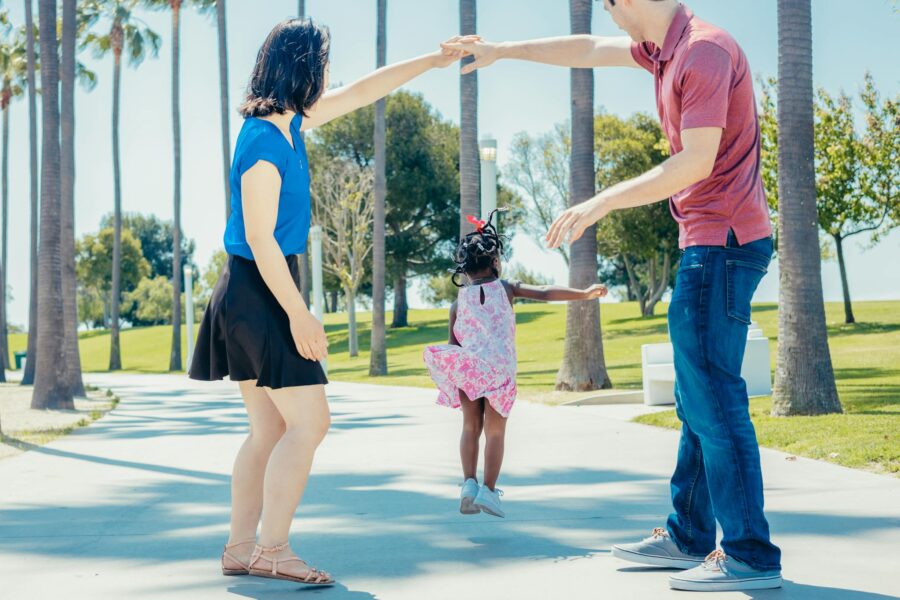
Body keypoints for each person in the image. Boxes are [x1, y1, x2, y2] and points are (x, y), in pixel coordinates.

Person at [442, 0, 781, 592]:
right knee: (696, 398)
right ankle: (689, 535)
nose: (607, 13)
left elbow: (696, 161)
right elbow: (585, 51)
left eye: (608, 4)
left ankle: (750, 554)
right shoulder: (665, 50)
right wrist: (501, 51)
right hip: (711, 243)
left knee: (716, 402)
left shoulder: (702, 50)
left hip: (722, 243)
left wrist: (601, 201)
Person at [189, 18, 464, 586]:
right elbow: (262, 238)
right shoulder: (265, 138)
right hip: (260, 287)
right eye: (324, 64)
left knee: (269, 430)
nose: (331, 76)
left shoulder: (290, 125)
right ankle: (273, 548)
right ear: (305, 68)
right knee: (310, 423)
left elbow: (365, 90)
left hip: (253, 286)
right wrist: (298, 313)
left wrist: (431, 61)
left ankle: (242, 547)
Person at [423, 209, 608, 518]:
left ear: (464, 268)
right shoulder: (507, 288)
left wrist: (459, 375)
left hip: (469, 369)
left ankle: (468, 483)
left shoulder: (458, 304)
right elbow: (546, 293)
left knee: (470, 426)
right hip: (499, 373)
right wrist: (585, 293)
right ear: (495, 262)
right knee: (495, 432)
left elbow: (454, 346)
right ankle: (489, 491)